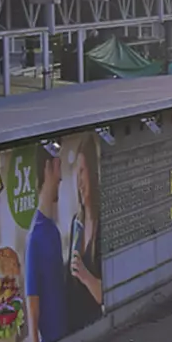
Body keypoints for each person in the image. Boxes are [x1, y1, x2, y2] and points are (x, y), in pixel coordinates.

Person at [25, 148, 68, 342]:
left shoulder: (52, 229)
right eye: (58, 166)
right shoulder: (36, 236)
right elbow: (32, 303)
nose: (61, 177)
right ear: (48, 168)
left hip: (64, 337)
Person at [66, 135, 103, 332]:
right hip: (74, 326)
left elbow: (106, 294)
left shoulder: (103, 223)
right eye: (76, 174)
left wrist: (84, 275)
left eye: (83, 171)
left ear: (93, 173)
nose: (79, 180)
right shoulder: (76, 222)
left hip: (96, 325)